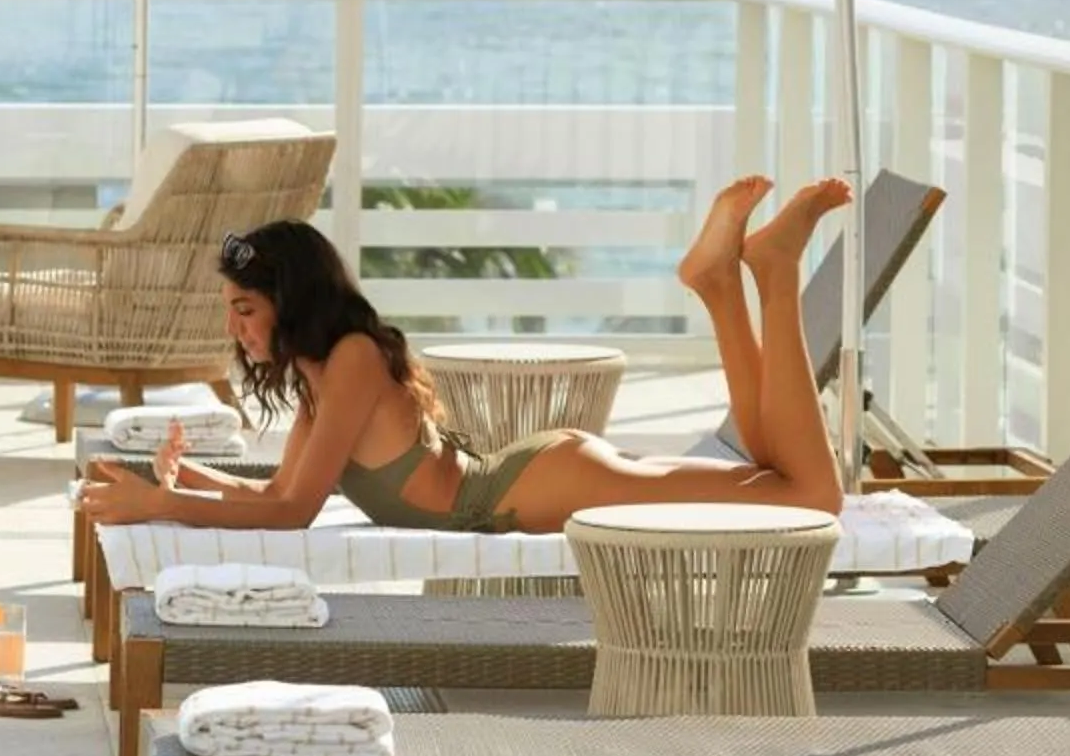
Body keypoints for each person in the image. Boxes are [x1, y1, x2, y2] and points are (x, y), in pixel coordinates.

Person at [78, 175, 847, 535]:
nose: (238, 330)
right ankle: (719, 286)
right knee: (776, 476)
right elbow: (279, 490)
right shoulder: (323, 376)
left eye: (247, 310)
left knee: (810, 497)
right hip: (544, 474)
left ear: (293, 302)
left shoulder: (349, 359)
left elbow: (293, 514)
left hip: (535, 488)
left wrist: (161, 503)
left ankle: (770, 273)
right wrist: (180, 478)